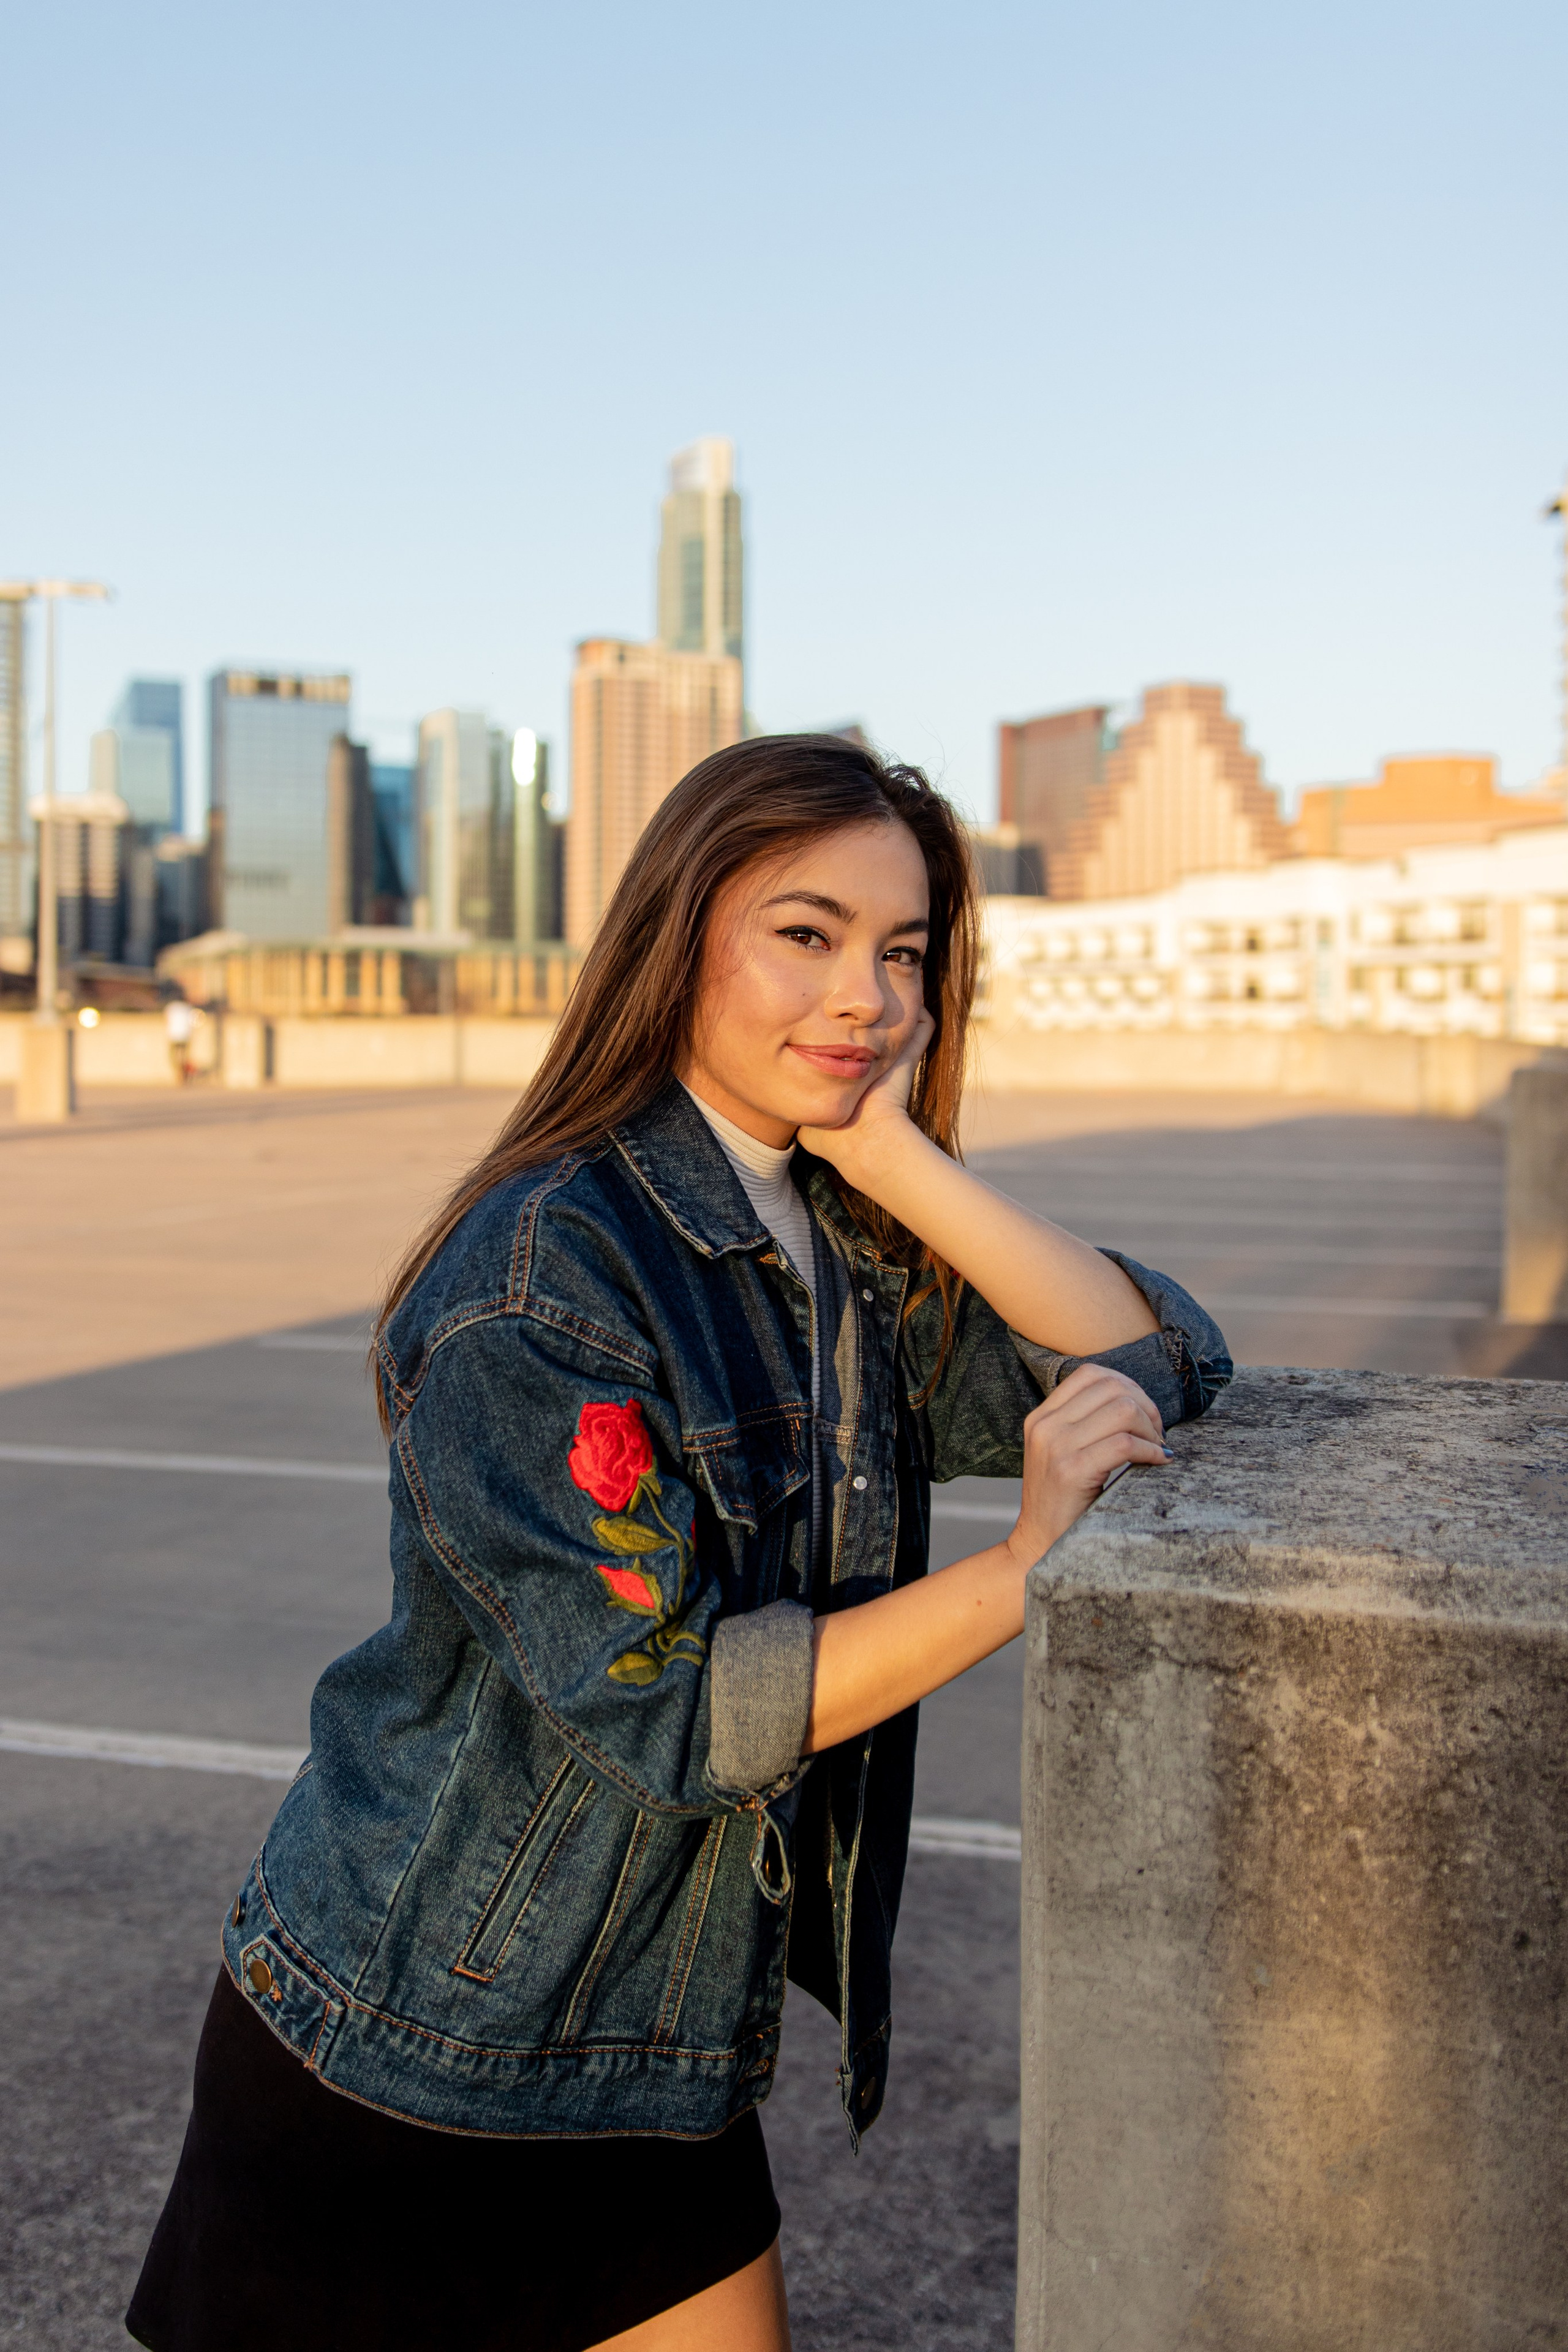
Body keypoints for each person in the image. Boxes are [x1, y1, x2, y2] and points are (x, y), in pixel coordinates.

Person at [127, 734, 1229, 2352]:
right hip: (406, 2048)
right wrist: (1015, 1573)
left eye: (902, 953)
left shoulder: (834, 1229)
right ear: (680, 935)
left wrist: (897, 1152)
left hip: (654, 2053)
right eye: (808, 934)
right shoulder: (539, 1274)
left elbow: (1153, 1370)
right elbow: (677, 1706)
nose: (864, 993)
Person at [164, 994, 197, 1084]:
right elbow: (194, 1021)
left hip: (173, 1035)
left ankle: (179, 1072)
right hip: (186, 1035)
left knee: (173, 1057)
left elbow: (167, 1020)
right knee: (185, 1057)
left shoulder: (171, 1007)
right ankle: (183, 1072)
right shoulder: (188, 1008)